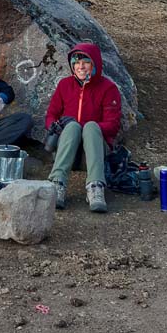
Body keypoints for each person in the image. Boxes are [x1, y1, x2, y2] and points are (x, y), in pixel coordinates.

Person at [45, 42, 122, 213]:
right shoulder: (65, 85)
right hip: (67, 151)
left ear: (95, 64)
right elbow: (51, 115)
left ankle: (95, 186)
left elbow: (113, 125)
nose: (81, 66)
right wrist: (55, 126)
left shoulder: (108, 88)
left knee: (91, 127)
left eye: (86, 62)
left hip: (94, 153)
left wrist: (87, 127)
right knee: (71, 127)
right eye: (76, 62)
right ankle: (57, 183)